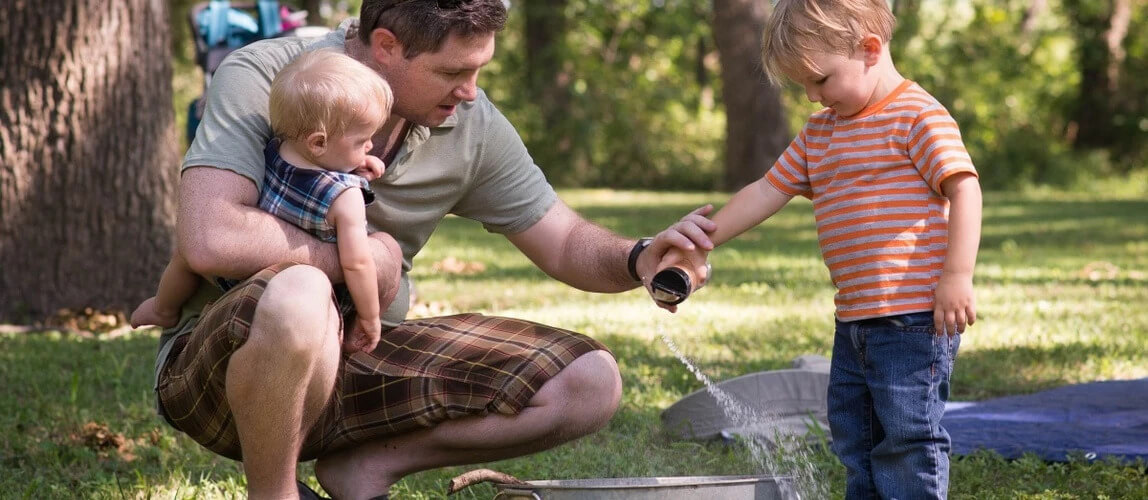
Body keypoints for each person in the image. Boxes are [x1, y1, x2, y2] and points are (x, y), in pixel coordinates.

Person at [153, 1, 714, 499]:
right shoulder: (269, 75)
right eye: (452, 71)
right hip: (226, 371)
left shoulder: (469, 122)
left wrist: (640, 256)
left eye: (478, 70)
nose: (469, 90)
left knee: (590, 381)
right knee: (301, 290)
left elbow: (564, 239)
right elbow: (210, 236)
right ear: (386, 47)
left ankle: (365, 469)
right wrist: (363, 259)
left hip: (363, 354)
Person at [678, 0, 982, 497]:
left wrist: (957, 275)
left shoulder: (917, 116)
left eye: (820, 81)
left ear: (869, 49)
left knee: (906, 437)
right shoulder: (820, 133)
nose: (812, 98)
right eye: (803, 86)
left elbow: (964, 188)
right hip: (854, 321)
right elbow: (764, 192)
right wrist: (701, 242)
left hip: (913, 320)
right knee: (854, 437)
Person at [132, 50, 391, 354]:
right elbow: (357, 262)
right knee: (384, 253)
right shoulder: (346, 198)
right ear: (318, 142)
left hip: (237, 277)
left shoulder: (275, 149)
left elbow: (313, 168)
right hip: (300, 300)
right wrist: (371, 317)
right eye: (362, 141)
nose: (370, 145)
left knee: (184, 255)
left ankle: (163, 308)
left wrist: (356, 160)